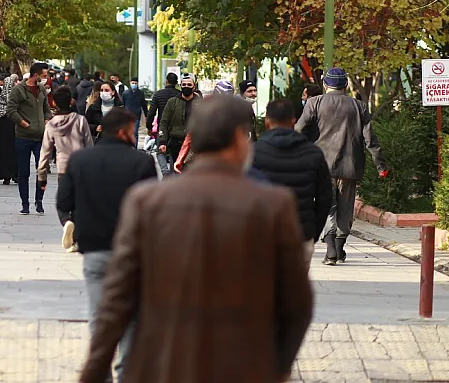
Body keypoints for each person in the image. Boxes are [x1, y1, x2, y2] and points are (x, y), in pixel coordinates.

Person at [79, 95, 313, 383]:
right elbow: (296, 303)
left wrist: (94, 370)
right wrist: (278, 365)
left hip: (158, 366)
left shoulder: (147, 202)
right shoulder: (272, 204)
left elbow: (117, 300)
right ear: (240, 138)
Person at [59, 109, 156, 382]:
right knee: (133, 319)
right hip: (131, 255)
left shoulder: (80, 160)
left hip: (95, 253)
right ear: (125, 130)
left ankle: (100, 374)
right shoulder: (142, 163)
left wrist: (74, 223)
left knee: (98, 316)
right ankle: (126, 373)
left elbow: (64, 203)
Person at [296, 67, 387, 266]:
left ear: (326, 85)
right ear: (345, 85)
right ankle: (338, 246)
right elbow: (370, 139)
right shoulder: (359, 106)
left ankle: (330, 250)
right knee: (346, 206)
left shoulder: (314, 103)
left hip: (320, 165)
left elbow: (298, 130)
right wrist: (380, 165)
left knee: (327, 206)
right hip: (350, 165)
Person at [253, 99, 332, 268]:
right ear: (293, 121)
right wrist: (312, 233)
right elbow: (325, 198)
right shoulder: (313, 153)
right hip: (300, 234)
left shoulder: (252, 153)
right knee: (295, 292)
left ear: (267, 121)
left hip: (262, 236)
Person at [39, 86, 94, 243]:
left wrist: (41, 176)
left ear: (54, 103)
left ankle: (66, 222)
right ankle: (75, 237)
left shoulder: (51, 124)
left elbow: (45, 152)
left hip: (64, 168)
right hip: (82, 166)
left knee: (62, 202)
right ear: (71, 101)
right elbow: (90, 146)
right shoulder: (81, 120)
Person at [7, 62, 52, 215]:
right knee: (23, 172)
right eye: (44, 75)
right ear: (36, 75)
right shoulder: (19, 90)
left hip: (40, 137)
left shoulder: (42, 90)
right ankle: (25, 203)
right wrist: (23, 123)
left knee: (42, 170)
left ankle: (39, 201)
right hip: (23, 137)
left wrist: (47, 120)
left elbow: (47, 109)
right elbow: (11, 110)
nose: (46, 78)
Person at [157, 73, 199, 173]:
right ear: (180, 86)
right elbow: (164, 122)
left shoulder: (200, 103)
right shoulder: (172, 102)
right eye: (184, 85)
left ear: (194, 86)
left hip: (193, 145)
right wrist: (162, 141)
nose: (186, 87)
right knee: (175, 171)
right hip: (175, 143)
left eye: (189, 85)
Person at [0, 75, 18, 184]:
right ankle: (15, 174)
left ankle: (5, 175)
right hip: (15, 126)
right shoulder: (16, 98)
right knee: (14, 151)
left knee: (3, 151)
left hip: (2, 127)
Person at [121, 77, 149, 147]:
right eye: (133, 83)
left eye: (135, 83)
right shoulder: (125, 93)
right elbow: (123, 104)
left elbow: (144, 105)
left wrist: (146, 115)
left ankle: (134, 147)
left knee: (135, 132)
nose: (134, 84)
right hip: (127, 115)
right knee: (127, 131)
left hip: (136, 115)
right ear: (130, 83)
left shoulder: (140, 93)